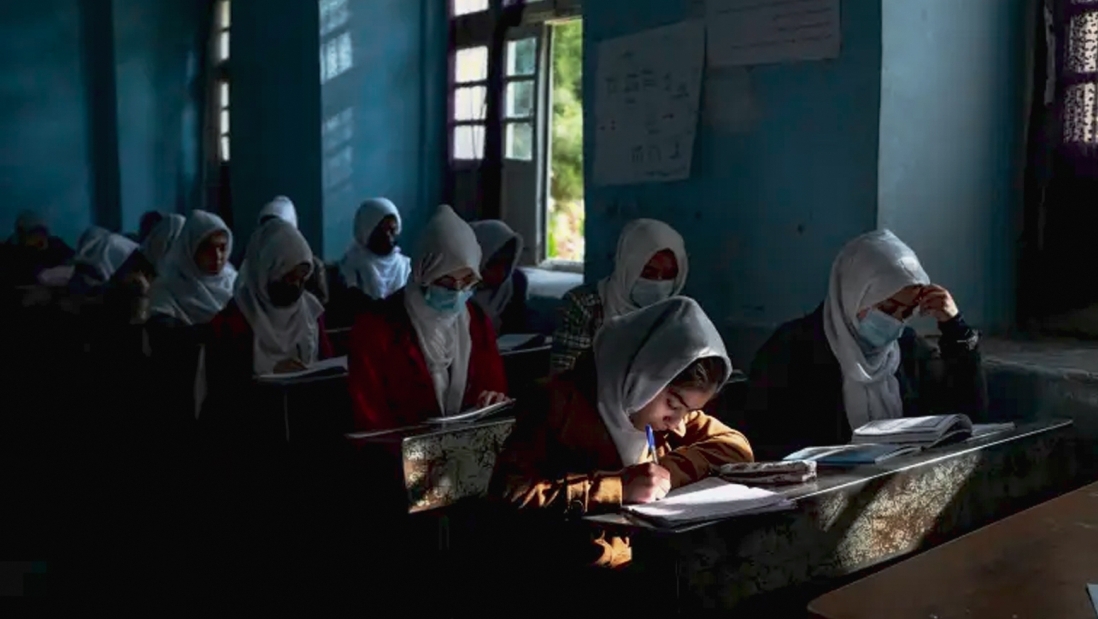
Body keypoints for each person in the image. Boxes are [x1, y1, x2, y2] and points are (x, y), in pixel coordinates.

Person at [487, 297, 752, 605]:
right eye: (673, 404)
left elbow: (735, 447)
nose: (678, 421)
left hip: (643, 564)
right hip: (566, 576)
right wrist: (618, 487)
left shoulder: (670, 413)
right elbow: (510, 493)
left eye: (689, 411)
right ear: (643, 374)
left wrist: (667, 472)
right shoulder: (556, 402)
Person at [742, 230, 987, 461]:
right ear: (853, 294)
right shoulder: (792, 350)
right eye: (887, 308)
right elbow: (765, 443)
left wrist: (955, 327)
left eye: (907, 312)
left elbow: (966, 418)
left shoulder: (907, 349)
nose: (896, 321)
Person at [347, 204, 508, 430]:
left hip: (469, 447)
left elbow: (493, 388)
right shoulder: (377, 329)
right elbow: (371, 421)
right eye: (446, 281)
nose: (457, 292)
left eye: (467, 281)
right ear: (423, 274)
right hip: (400, 450)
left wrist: (492, 401)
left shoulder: (476, 321)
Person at [550, 218, 688, 374]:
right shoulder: (584, 305)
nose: (658, 283)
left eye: (669, 275)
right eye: (648, 272)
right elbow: (564, 376)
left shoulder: (678, 316)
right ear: (627, 266)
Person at [146, 211, 236, 327]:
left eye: (222, 248)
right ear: (190, 249)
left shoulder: (235, 283)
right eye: (208, 248)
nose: (217, 256)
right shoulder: (167, 287)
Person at [241, 196, 329, 305]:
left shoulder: (311, 267)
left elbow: (319, 306)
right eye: (266, 227)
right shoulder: (250, 264)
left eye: (277, 227)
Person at [337, 197, 411, 301]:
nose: (388, 236)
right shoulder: (351, 265)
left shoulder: (405, 266)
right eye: (381, 231)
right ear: (365, 231)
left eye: (392, 230)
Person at [471, 220, 529, 335]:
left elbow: (517, 331)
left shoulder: (514, 284)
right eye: (494, 263)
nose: (501, 271)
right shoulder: (453, 289)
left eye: (507, 263)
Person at [1, 210, 74, 287]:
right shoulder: (10, 253)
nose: (40, 238)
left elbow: (74, 260)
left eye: (42, 232)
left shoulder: (55, 245)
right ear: (22, 235)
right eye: (34, 233)